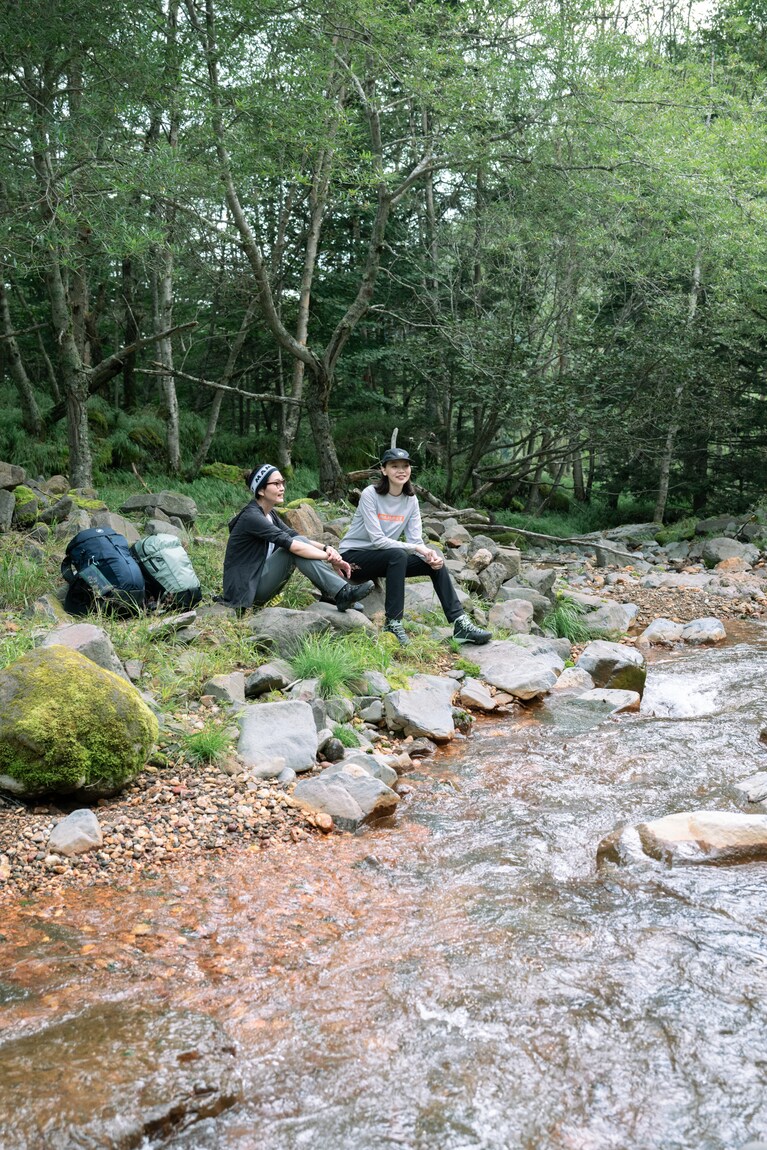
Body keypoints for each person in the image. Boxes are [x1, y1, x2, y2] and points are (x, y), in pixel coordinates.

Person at [339, 447, 492, 646]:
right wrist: (417, 549)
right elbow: (377, 540)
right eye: (395, 466)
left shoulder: (410, 499)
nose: (401, 470)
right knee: (399, 555)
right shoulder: (371, 494)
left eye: (405, 466)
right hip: (353, 557)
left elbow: (415, 540)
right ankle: (393, 623)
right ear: (384, 470)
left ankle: (460, 623)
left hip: (384, 558)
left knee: (433, 562)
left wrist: (429, 555)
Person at [223, 463, 374, 612]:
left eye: (282, 482)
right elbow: (293, 545)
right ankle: (340, 592)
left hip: (257, 583)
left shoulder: (270, 514)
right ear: (261, 490)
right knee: (292, 550)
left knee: (297, 542)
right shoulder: (252, 517)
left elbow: (296, 537)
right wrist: (331, 558)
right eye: (276, 483)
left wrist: (327, 548)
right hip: (244, 592)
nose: (282, 487)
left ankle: (335, 593)